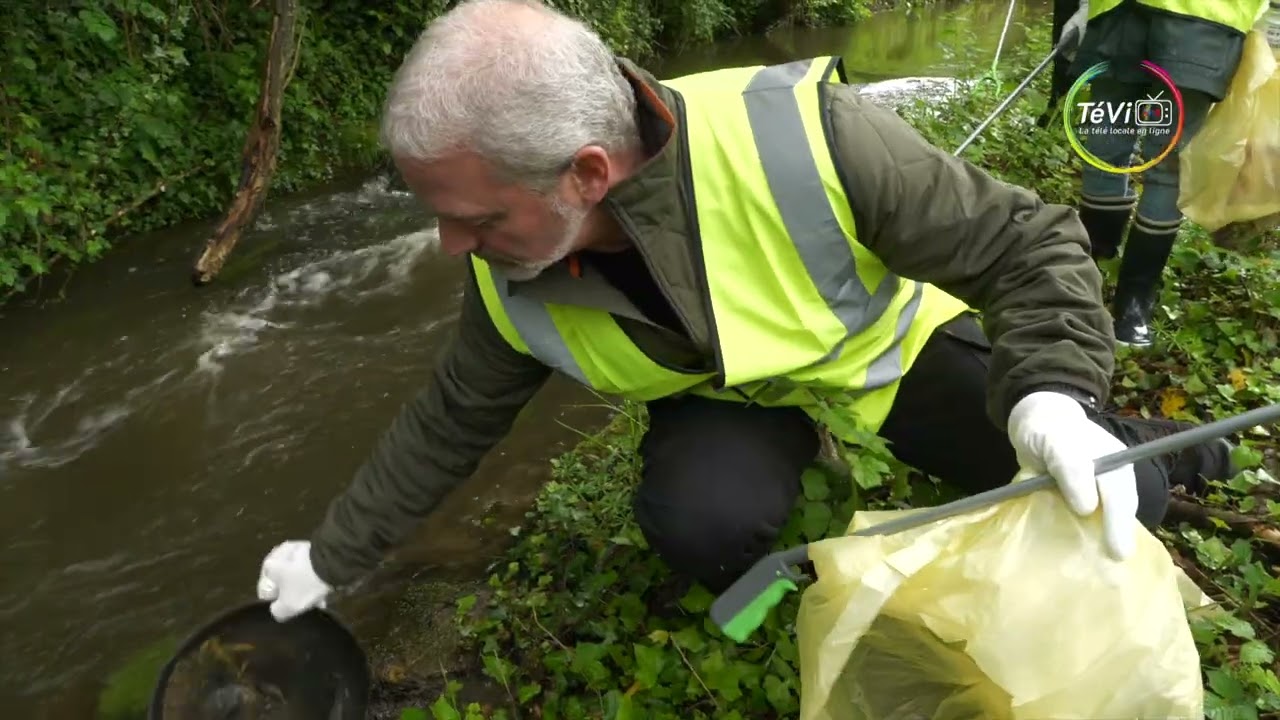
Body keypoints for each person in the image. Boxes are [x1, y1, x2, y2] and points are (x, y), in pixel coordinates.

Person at [254, 0, 1237, 621]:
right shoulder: (503, 274)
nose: (449, 248)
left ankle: (1163, 443)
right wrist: (331, 558)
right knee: (701, 523)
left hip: (883, 357)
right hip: (727, 397)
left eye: (472, 217)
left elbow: (1029, 245)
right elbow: (448, 422)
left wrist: (1051, 398)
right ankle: (812, 468)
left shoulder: (809, 136)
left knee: (1116, 494)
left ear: (585, 173)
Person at [1069, 0, 1265, 347]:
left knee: (1169, 161)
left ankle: (1133, 300)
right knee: (1103, 146)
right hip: (1118, 14)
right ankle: (1086, 275)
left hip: (1203, 22)